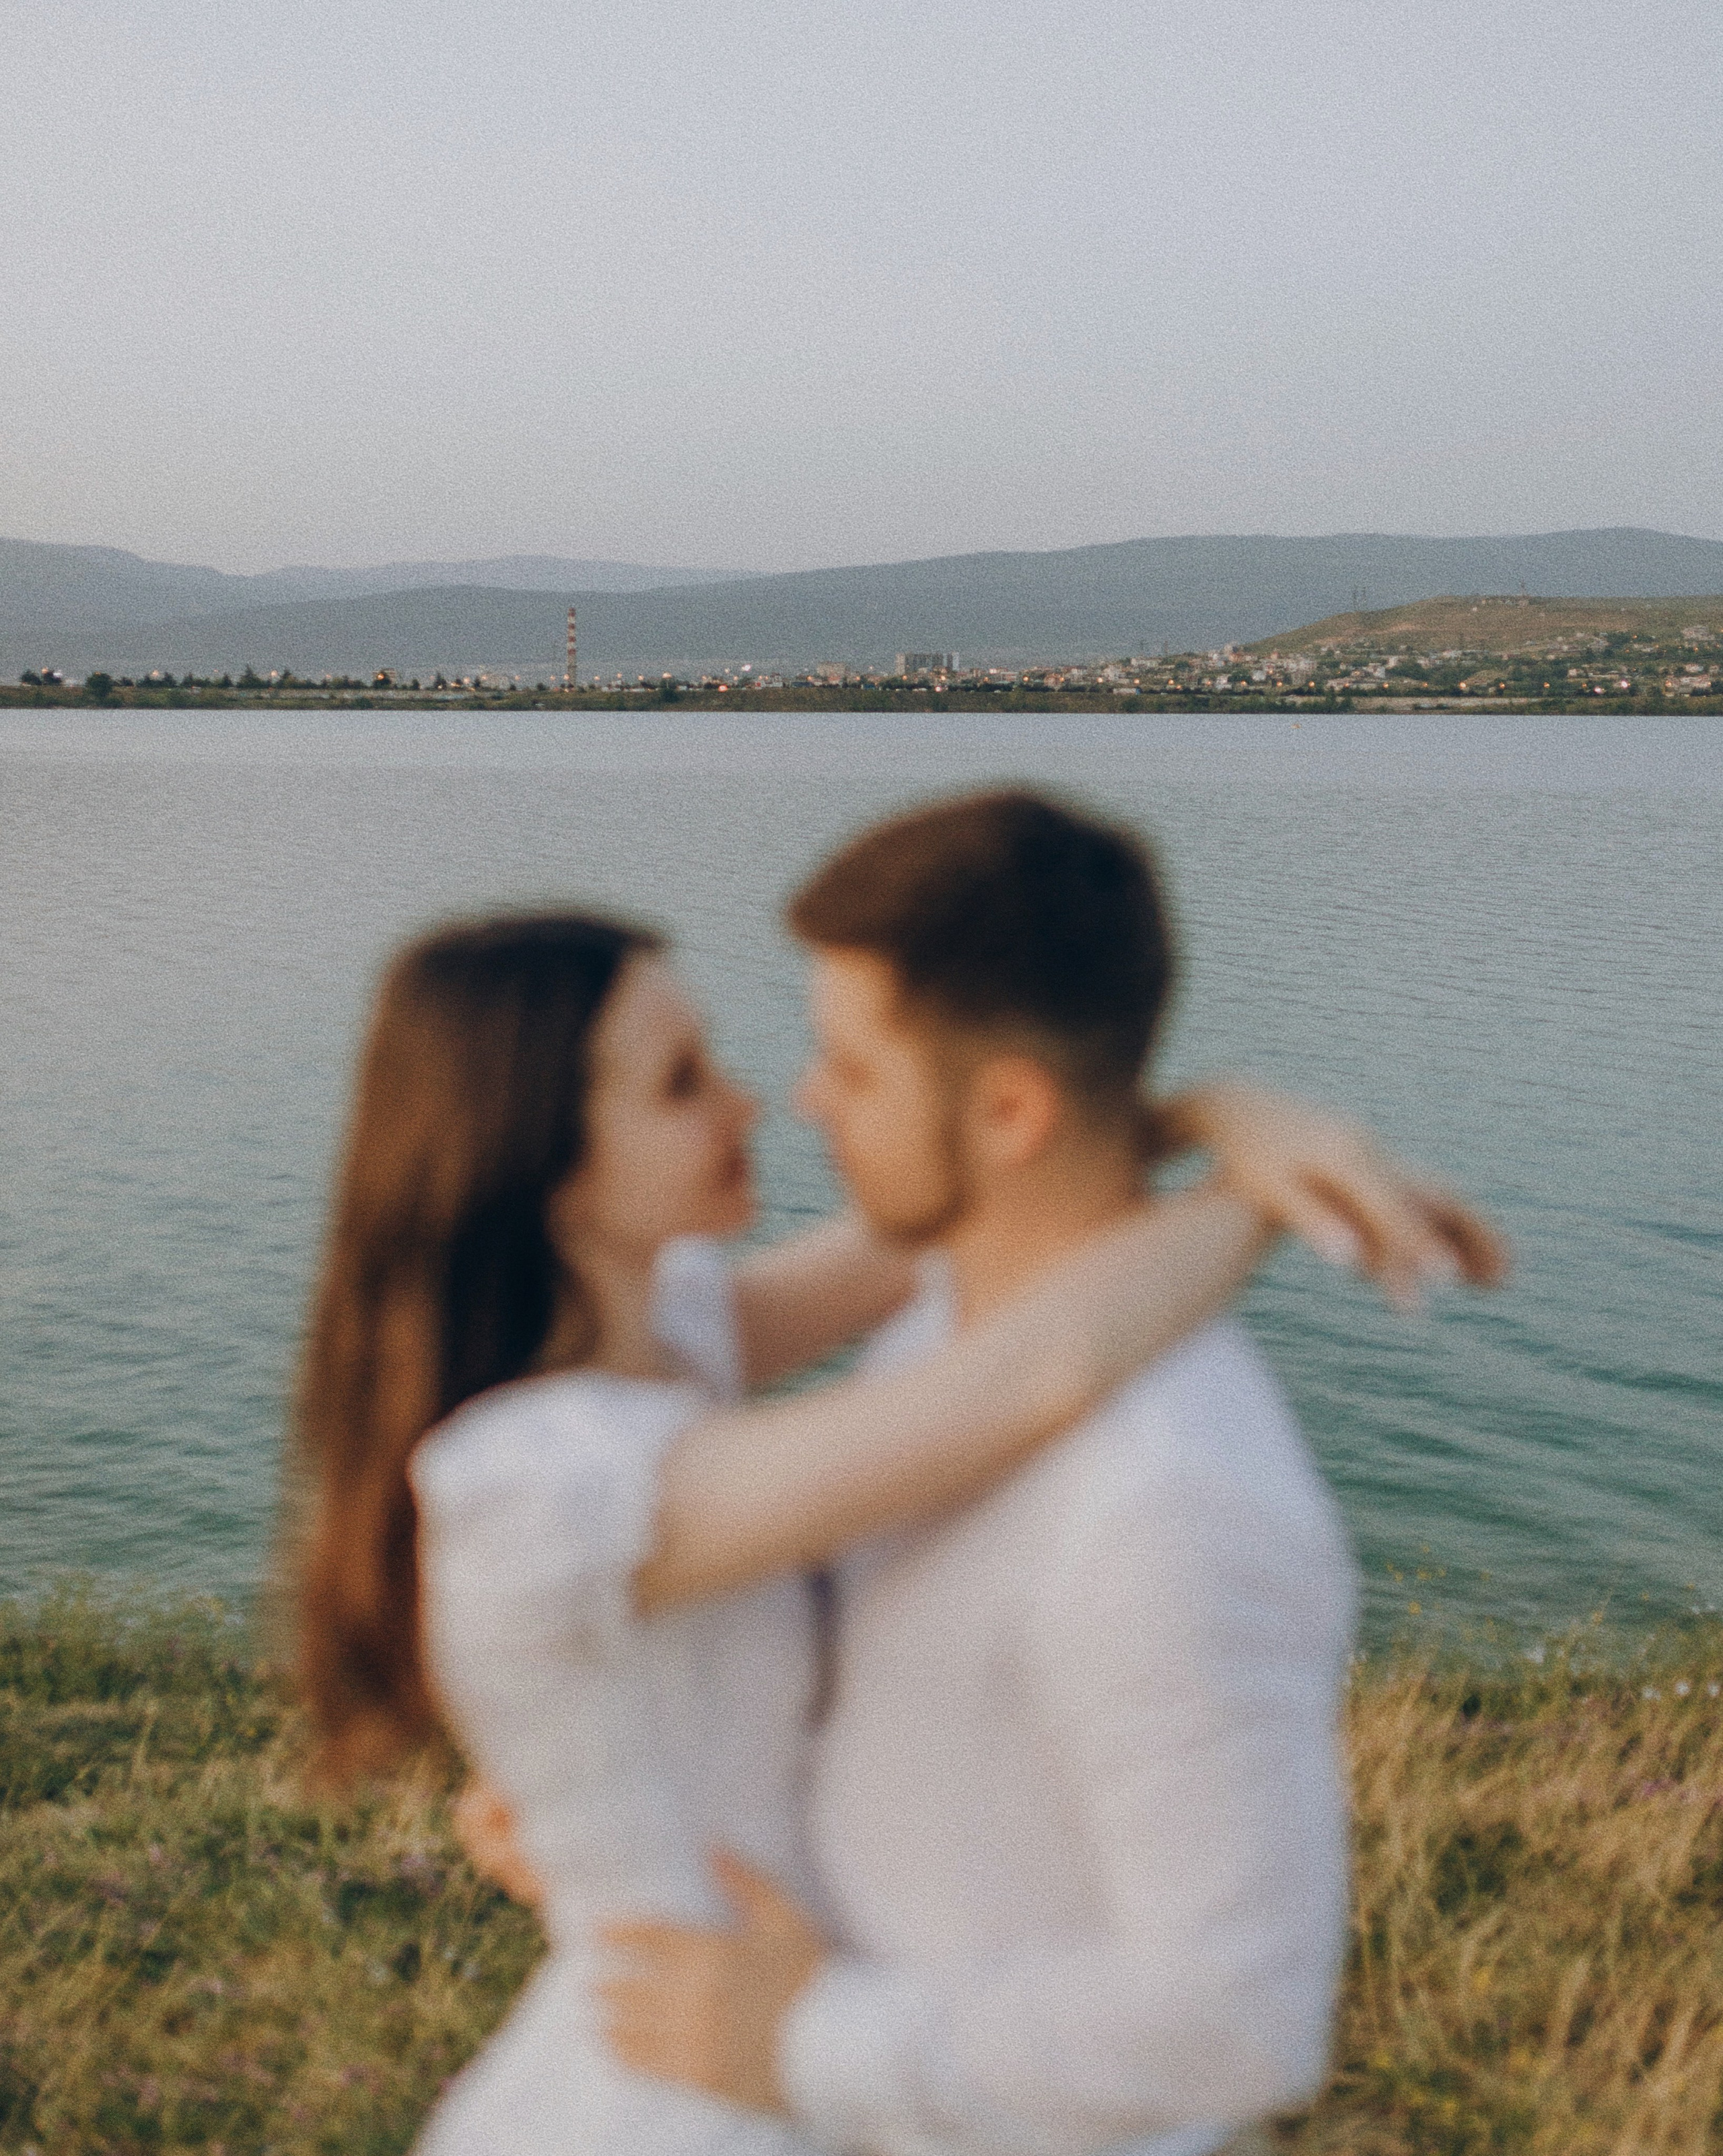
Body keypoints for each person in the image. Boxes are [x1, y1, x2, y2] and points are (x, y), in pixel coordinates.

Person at [296, 850, 1496, 2155]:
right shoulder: (543, 1482)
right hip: (696, 2080)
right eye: (682, 1084)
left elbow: (959, 1193)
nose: (758, 1102)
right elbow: (1030, 1374)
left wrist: (1212, 1114)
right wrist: (1254, 1201)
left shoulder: (664, 1339)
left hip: (795, 2036)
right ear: (548, 1165)